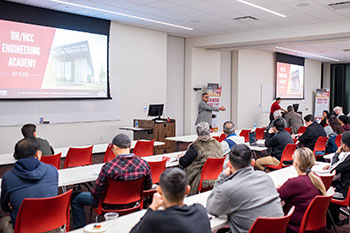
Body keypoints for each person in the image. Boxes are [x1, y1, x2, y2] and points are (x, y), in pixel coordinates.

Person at [71, 134, 152, 229]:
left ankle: (79, 229)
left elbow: (96, 193)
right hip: (135, 203)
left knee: (75, 198)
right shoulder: (144, 164)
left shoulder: (109, 167)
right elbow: (148, 187)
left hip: (108, 205)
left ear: (114, 147)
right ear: (130, 146)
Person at [206, 144, 283, 233]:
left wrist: (222, 176)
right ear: (252, 162)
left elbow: (211, 208)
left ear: (229, 164)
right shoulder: (266, 177)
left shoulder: (229, 188)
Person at [0, 138, 58, 232]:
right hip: (52, 227)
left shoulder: (8, 177)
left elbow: (5, 207)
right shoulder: (52, 170)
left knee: (4, 222)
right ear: (38, 154)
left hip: (24, 229)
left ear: (16, 156)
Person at [130, 168, 211, 233]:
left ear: (159, 191)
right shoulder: (200, 211)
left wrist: (152, 207)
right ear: (187, 190)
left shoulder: (154, 219)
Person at [278, 148, 326, 233]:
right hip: (312, 223)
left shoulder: (295, 183)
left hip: (294, 226)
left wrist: (281, 188)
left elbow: (275, 196)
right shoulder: (316, 177)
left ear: (295, 163)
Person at [178, 122, 222, 195]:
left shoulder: (195, 147)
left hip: (199, 180)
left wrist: (180, 157)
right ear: (209, 131)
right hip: (216, 179)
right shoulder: (217, 144)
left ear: (198, 133)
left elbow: (183, 162)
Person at [324, 131, 350, 226]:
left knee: (323, 192)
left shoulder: (348, 157)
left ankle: (327, 223)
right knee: (333, 185)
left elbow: (333, 169)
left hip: (344, 193)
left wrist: (336, 154)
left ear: (344, 145)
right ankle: (334, 220)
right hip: (346, 188)